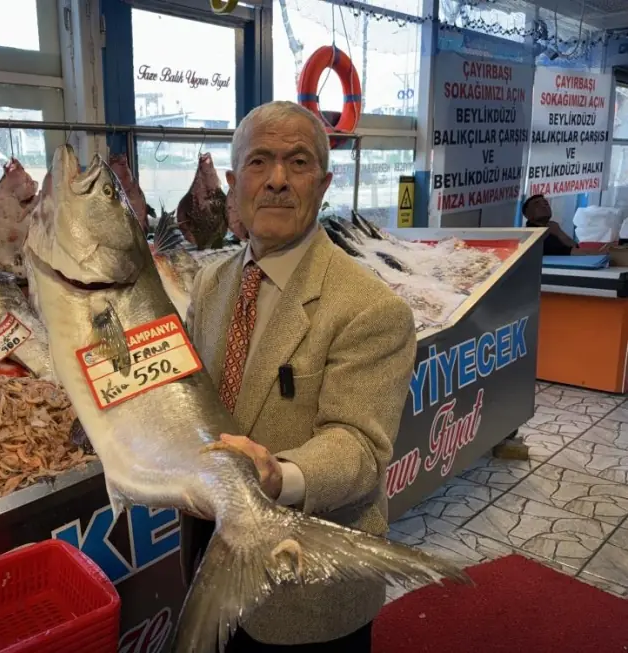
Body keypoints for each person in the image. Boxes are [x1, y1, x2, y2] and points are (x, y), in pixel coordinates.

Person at [180, 100, 417, 652]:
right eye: (259, 163)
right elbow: (190, 394)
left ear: (325, 182)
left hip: (306, 587)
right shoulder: (211, 283)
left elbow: (359, 447)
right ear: (235, 184)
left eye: (298, 163)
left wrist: (276, 476)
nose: (278, 181)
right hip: (207, 559)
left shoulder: (369, 308)